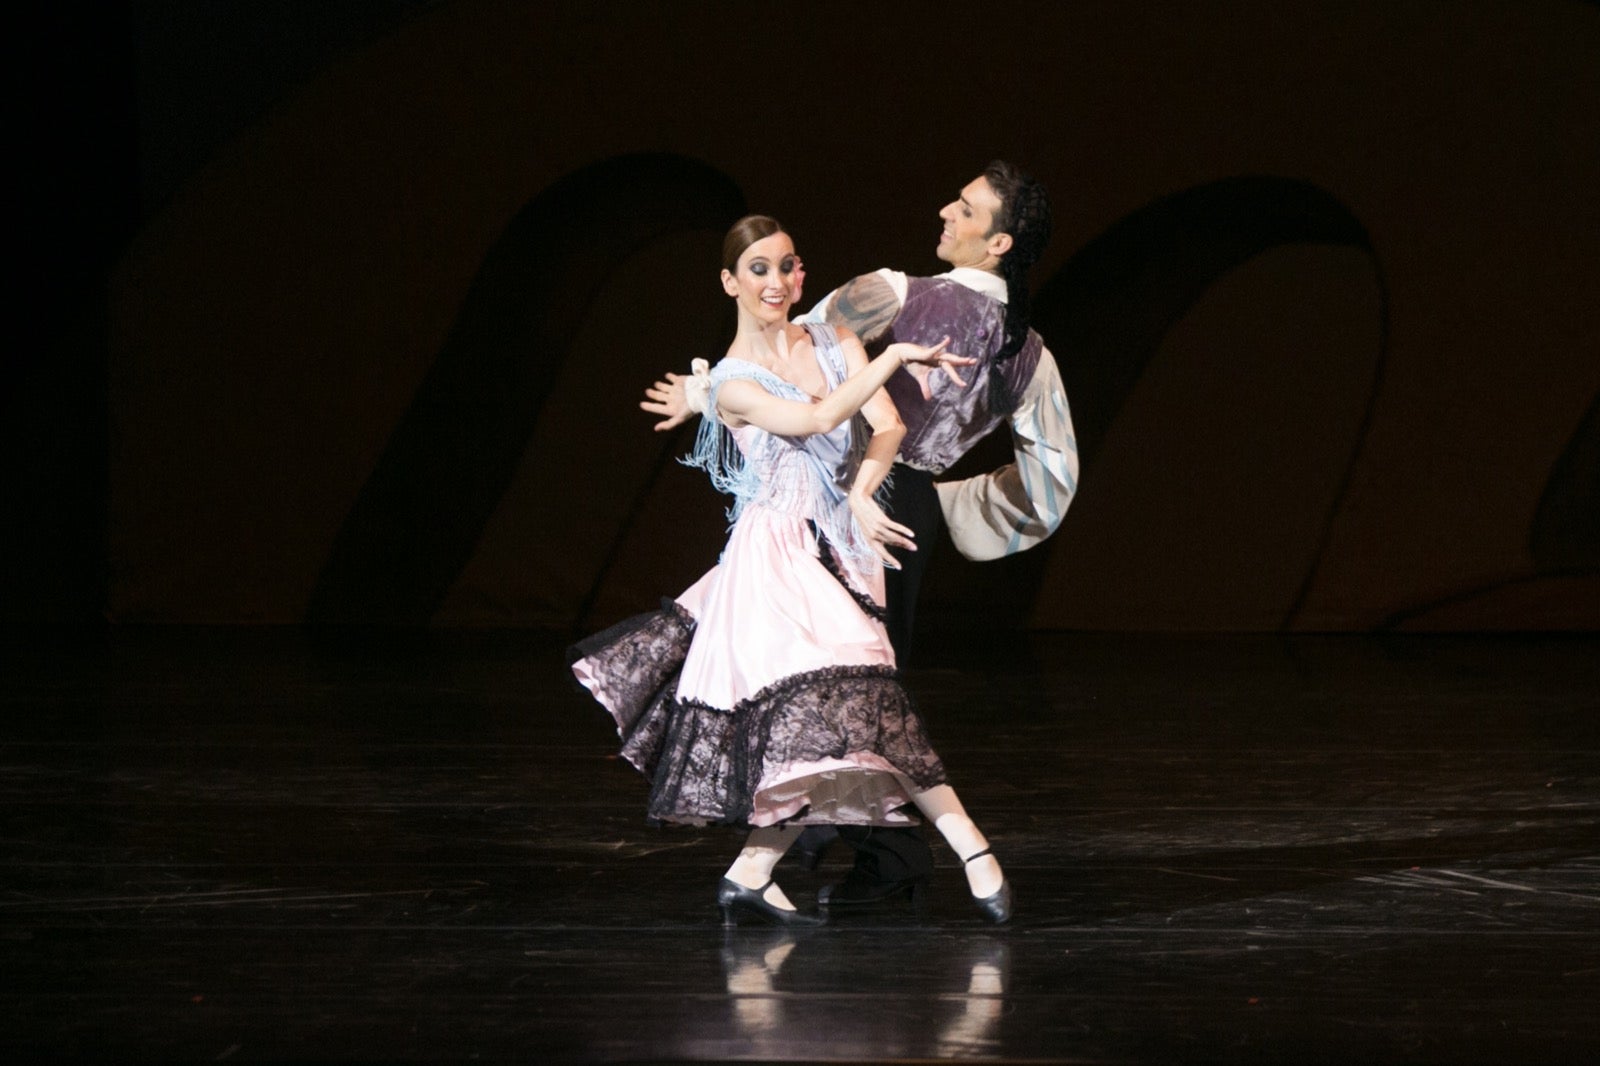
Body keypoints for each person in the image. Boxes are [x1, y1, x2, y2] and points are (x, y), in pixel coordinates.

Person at [642, 162, 1079, 909]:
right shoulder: (1031, 355)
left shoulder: (896, 294)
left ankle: (865, 855)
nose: (945, 209)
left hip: (846, 491)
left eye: (965, 208)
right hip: (908, 506)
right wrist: (951, 505)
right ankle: (807, 855)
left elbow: (789, 352)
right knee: (857, 689)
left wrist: (710, 392)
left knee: (849, 694)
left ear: (998, 240)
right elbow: (1050, 485)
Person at [572, 215, 1012, 927]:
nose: (777, 282)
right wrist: (894, 354)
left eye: (788, 265)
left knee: (829, 730)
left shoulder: (834, 339)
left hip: (842, 549)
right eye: (759, 270)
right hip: (775, 561)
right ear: (729, 282)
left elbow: (887, 426)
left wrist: (864, 495)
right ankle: (973, 849)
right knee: (857, 705)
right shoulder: (728, 384)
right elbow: (813, 421)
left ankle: (750, 871)